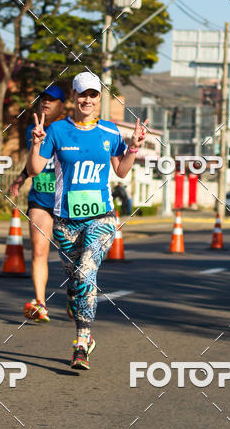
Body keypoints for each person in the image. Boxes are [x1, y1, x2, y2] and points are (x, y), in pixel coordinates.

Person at [28, 71, 148, 370]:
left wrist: (133, 147)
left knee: (85, 274)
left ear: (99, 98)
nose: (87, 99)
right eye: (83, 94)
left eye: (93, 94)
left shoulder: (109, 132)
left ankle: (82, 342)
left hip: (102, 217)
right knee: (75, 280)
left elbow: (121, 170)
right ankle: (74, 299)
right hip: (66, 222)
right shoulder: (56, 131)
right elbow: (33, 169)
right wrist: (35, 142)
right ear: (74, 97)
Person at [9, 86, 65, 323]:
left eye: (52, 100)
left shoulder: (69, 130)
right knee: (39, 250)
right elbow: (35, 162)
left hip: (67, 201)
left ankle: (76, 297)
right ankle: (40, 303)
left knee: (72, 257)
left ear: (62, 105)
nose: (46, 103)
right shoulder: (32, 129)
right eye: (43, 99)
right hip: (40, 198)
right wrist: (22, 177)